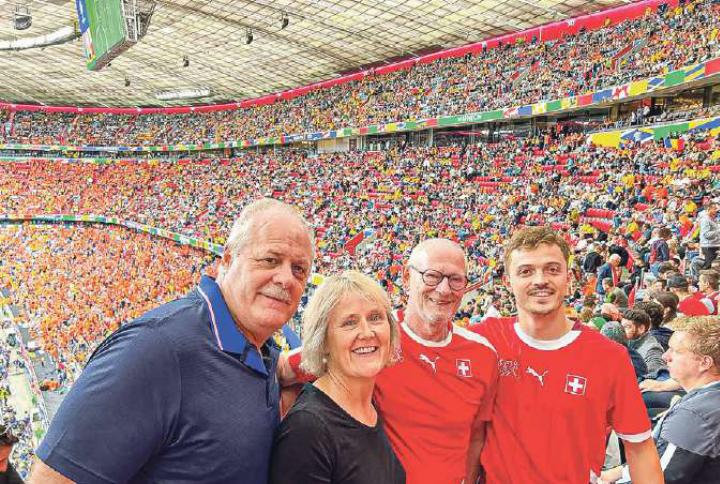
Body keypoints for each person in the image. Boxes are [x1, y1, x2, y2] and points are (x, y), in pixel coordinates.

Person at [30, 198, 315, 484]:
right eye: (270, 260)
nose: (286, 279)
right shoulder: (153, 349)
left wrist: (287, 368)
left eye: (299, 269)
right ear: (227, 259)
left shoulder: (259, 349)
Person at [283, 239, 498, 484]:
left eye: (455, 280)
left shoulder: (483, 354)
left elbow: (476, 436)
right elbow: (288, 369)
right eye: (432, 276)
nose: (444, 289)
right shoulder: (375, 341)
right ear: (407, 278)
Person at [474, 226, 663, 483]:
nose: (540, 280)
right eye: (526, 271)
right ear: (508, 282)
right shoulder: (483, 341)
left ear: (569, 278)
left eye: (552, 269)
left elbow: (640, 448)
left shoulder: (609, 356)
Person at [269, 271, 405, 483]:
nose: (367, 332)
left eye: (375, 318)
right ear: (323, 341)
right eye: (349, 323)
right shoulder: (307, 429)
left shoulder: (371, 408)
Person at [601, 316, 720, 483]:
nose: (665, 356)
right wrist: (609, 476)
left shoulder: (693, 416)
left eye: (675, 351)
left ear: (704, 362)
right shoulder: (706, 401)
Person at [621, 308, 667, 376]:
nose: (622, 330)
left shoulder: (653, 349)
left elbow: (654, 377)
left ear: (641, 329)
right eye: (621, 326)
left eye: (627, 327)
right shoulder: (628, 342)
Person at [697, 202, 720, 270]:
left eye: (716, 208)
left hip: (714, 245)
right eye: (714, 209)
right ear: (708, 209)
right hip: (708, 247)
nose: (716, 210)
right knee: (709, 268)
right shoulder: (705, 220)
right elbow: (706, 235)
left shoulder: (713, 219)